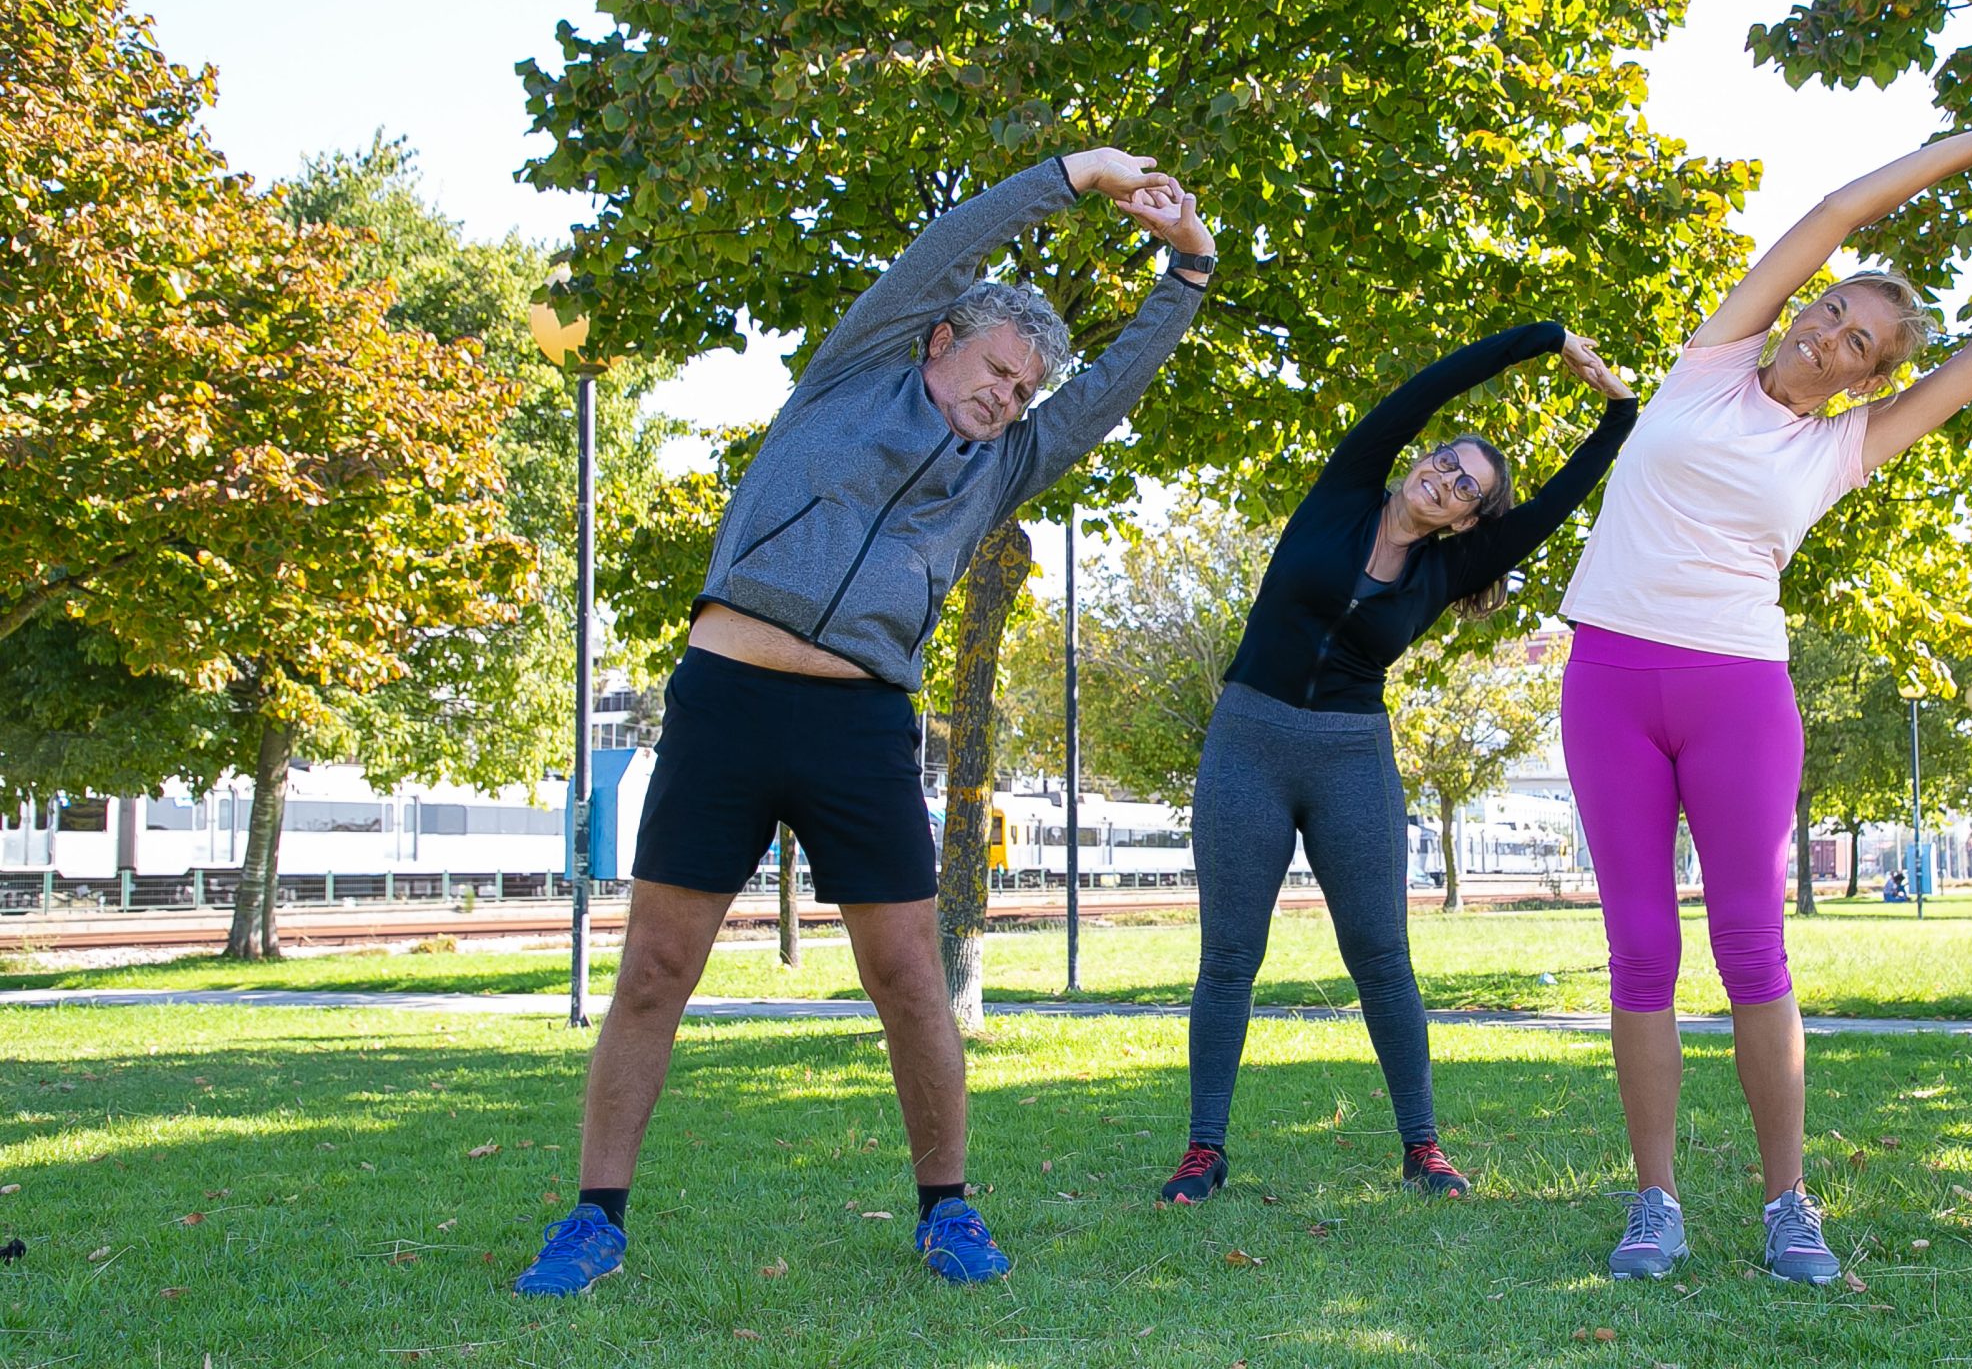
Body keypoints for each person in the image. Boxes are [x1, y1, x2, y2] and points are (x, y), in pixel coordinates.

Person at [512, 149, 1218, 1296]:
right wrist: (1072, 176)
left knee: (906, 975)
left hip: (860, 727)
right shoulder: (855, 371)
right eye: (996, 370)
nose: (1008, 398)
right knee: (654, 970)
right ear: (942, 343)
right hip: (729, 702)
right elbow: (942, 254)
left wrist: (1187, 271)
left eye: (1023, 390)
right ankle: (594, 1219)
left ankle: (948, 1211)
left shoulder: (1006, 463)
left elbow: (1112, 388)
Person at [1558, 118, 1972, 1285]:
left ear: (1870, 381)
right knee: (1637, 952)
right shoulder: (1712, 358)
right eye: (1832, 312)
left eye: (1862, 345)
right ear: (1802, 310)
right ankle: (1655, 1202)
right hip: (1610, 681)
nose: (1832, 337)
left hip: (1736, 694)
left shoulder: (1836, 451)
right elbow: (1836, 210)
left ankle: (1786, 1204)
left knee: (1751, 950)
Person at [1161, 321, 1639, 1205]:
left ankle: (1423, 1149)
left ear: (1466, 519)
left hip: (1350, 756)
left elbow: (1560, 501)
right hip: (1248, 740)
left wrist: (1617, 415)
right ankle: (1203, 1151)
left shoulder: (1453, 568)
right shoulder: (1347, 488)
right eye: (1446, 463)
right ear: (1421, 461)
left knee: (1381, 952)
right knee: (1229, 954)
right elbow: (1432, 384)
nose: (1447, 480)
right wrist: (1543, 340)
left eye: (1468, 489)